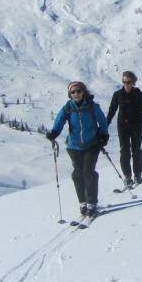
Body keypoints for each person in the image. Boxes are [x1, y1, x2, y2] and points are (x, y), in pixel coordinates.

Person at [47, 81, 110, 217]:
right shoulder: (68, 108)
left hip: (92, 144)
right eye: (73, 92)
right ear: (70, 94)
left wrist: (104, 135)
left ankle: (92, 203)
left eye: (78, 91)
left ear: (83, 92)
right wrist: (54, 133)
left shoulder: (92, 106)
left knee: (88, 172)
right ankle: (83, 202)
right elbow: (59, 121)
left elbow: (102, 121)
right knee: (77, 174)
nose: (76, 94)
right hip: (74, 146)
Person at [106, 71, 142, 187]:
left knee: (136, 150)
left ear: (133, 82)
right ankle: (127, 176)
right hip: (122, 126)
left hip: (137, 125)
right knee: (124, 150)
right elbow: (112, 110)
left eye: (128, 82)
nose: (126, 84)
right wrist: (106, 122)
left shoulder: (138, 94)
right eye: (124, 82)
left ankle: (137, 174)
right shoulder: (117, 95)